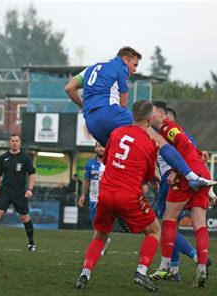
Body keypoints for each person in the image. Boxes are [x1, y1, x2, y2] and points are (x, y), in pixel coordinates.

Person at [64, 46, 214, 191]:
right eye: (134, 65)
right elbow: (123, 102)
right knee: (156, 138)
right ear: (125, 59)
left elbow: (69, 88)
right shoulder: (120, 67)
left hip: (91, 122)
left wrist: (86, 108)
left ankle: (130, 187)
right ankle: (191, 176)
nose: (134, 70)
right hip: (111, 113)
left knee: (121, 154)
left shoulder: (91, 68)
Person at [74, 101, 172, 292]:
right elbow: (147, 175)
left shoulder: (117, 133)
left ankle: (85, 273)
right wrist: (152, 178)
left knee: (100, 236)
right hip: (128, 195)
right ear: (150, 119)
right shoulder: (149, 143)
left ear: (132, 115)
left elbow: (108, 159)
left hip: (105, 192)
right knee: (154, 231)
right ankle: (141, 272)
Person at [149, 101, 214, 288]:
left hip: (186, 176)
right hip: (200, 172)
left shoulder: (167, 127)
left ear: (162, 116)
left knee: (169, 219)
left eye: (152, 114)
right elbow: (197, 154)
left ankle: (166, 266)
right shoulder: (166, 131)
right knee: (199, 224)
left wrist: (177, 171)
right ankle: (201, 267)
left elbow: (182, 147)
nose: (149, 117)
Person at [0, 134, 36, 251]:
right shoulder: (3, 158)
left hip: (20, 192)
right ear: (9, 142)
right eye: (12, 141)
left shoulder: (25, 158)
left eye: (17, 140)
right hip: (5, 190)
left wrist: (30, 189)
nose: (14, 142)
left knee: (24, 217)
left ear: (20, 142)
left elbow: (31, 174)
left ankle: (31, 243)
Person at [78, 142, 112, 255]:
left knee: (100, 224)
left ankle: (97, 247)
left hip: (107, 198)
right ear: (95, 148)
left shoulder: (110, 163)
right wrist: (83, 195)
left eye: (103, 146)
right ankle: (105, 241)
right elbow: (86, 180)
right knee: (95, 224)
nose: (101, 149)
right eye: (98, 146)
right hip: (93, 198)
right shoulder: (90, 164)